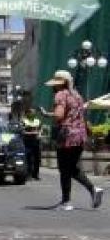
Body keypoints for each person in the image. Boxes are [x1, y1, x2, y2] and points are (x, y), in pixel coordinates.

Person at [44, 70, 104, 210]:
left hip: (66, 135)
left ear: (61, 83)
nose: (54, 86)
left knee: (64, 169)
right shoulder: (77, 95)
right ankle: (93, 189)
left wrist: (47, 114)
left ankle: (66, 202)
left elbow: (59, 116)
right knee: (72, 168)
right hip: (80, 135)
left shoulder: (60, 95)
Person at [21, 107, 42, 181]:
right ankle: (28, 174)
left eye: (34, 112)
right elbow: (22, 132)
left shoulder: (37, 121)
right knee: (28, 159)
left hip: (36, 142)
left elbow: (40, 130)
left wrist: (39, 134)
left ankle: (35, 174)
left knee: (37, 159)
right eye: (31, 112)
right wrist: (32, 133)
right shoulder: (24, 121)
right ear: (27, 113)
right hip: (27, 142)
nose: (33, 114)